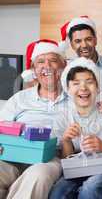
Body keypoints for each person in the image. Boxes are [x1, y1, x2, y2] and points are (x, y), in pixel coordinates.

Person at [0, 39, 68, 199]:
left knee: (39, 175)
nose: (47, 66)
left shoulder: (76, 98)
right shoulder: (20, 98)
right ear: (34, 69)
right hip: (13, 156)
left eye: (53, 60)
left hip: (51, 158)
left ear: (63, 66)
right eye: (41, 62)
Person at [49, 57, 102, 199]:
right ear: (68, 89)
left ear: (98, 87)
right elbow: (65, 159)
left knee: (91, 188)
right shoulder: (63, 116)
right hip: (76, 168)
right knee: (58, 191)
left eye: (89, 82)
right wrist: (66, 141)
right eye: (76, 83)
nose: (83, 88)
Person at [60, 16, 102, 112]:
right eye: (78, 41)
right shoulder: (67, 69)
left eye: (88, 39)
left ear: (95, 40)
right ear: (71, 44)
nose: (84, 45)